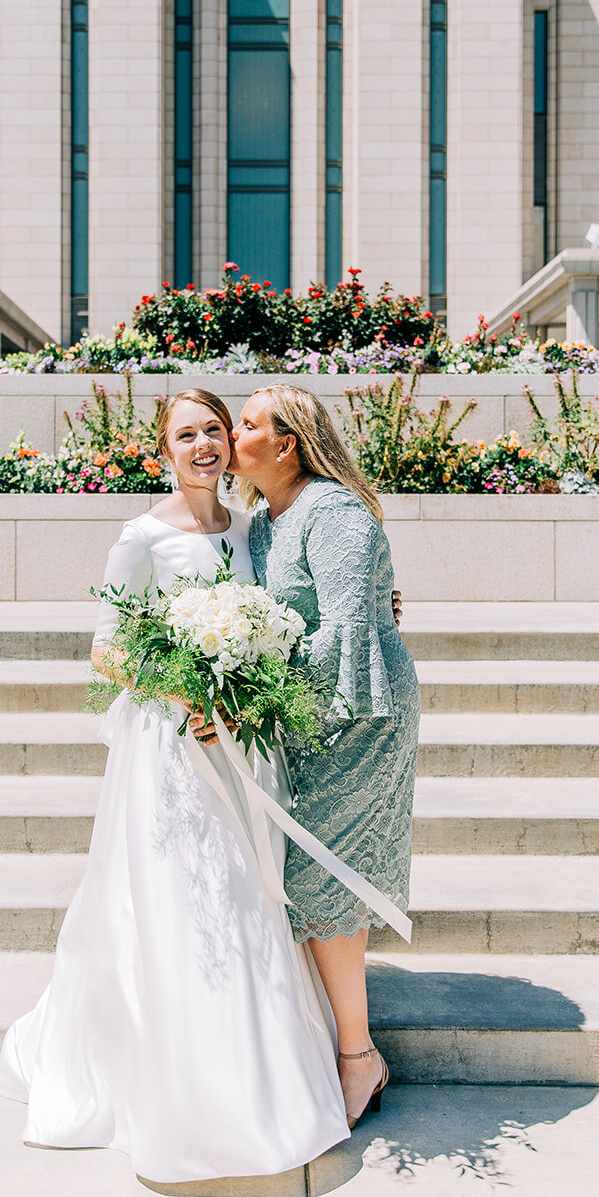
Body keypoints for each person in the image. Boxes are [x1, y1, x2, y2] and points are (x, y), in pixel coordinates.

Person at [0, 390, 350, 1182]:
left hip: (241, 742)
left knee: (245, 892)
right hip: (172, 744)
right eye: (186, 435)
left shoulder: (253, 527)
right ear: (164, 448)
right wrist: (185, 690)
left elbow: (295, 609)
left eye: (214, 431)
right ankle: (176, 1081)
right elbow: (104, 652)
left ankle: (261, 1076)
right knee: (181, 898)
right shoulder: (141, 537)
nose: (204, 446)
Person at [231, 385, 420, 1128]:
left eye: (246, 425)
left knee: (324, 874)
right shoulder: (263, 519)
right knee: (302, 873)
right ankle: (332, 1043)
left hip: (357, 714)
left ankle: (357, 1058)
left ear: (284, 445)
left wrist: (243, 683)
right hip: (303, 715)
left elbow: (346, 633)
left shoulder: (333, 511)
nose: (230, 433)